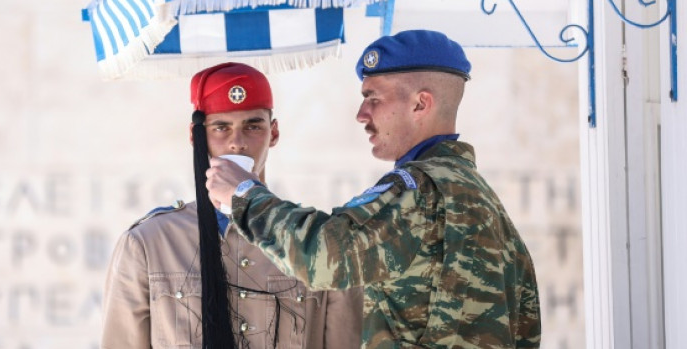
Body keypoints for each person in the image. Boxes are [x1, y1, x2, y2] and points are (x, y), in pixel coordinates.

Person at [206, 30, 542, 348]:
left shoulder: (419, 191)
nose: (361, 114)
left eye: (373, 99)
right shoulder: (484, 200)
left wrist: (244, 194)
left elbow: (323, 257)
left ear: (420, 104)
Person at [101, 62, 363, 349]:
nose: (237, 143)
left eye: (253, 126)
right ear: (196, 136)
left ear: (274, 133)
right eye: (221, 127)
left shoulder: (318, 242)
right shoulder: (149, 244)